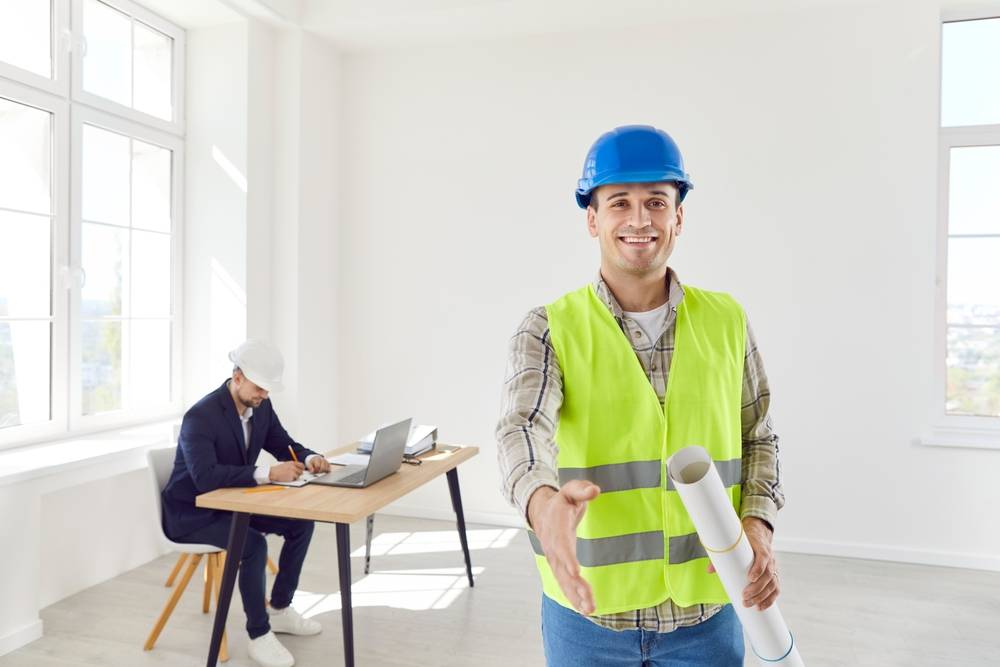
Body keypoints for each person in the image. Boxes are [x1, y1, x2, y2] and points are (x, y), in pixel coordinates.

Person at [496, 125, 785, 666]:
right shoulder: (548, 327)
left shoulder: (727, 320)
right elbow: (520, 428)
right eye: (619, 202)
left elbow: (758, 437)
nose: (638, 219)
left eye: (657, 201)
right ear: (592, 218)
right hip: (590, 620)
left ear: (679, 216)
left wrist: (758, 525)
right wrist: (541, 504)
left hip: (709, 611)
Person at [161, 339, 332, 667]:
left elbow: (282, 443)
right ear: (237, 377)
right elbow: (205, 479)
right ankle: (259, 634)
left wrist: (309, 457)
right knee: (251, 544)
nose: (264, 396)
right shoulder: (200, 416)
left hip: (233, 504)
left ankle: (280, 609)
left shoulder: (261, 405)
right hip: (192, 513)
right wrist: (269, 473)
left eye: (268, 390)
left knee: (301, 523)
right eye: (259, 388)